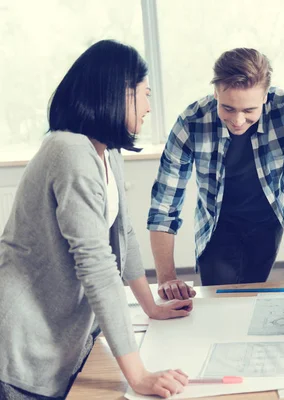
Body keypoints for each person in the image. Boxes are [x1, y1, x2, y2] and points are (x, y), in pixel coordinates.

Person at [0, 40, 193, 399]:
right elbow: (96, 263)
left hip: (63, 333)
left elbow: (124, 232)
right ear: (118, 94)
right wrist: (138, 376)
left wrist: (149, 305)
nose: (149, 107)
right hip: (23, 342)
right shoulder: (70, 151)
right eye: (144, 94)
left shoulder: (104, 149)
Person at [148, 47, 284, 299]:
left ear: (266, 95)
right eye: (228, 108)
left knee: (252, 297)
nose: (238, 120)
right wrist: (167, 279)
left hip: (267, 223)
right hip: (217, 225)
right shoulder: (191, 121)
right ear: (216, 92)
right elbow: (165, 203)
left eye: (249, 111)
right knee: (222, 300)